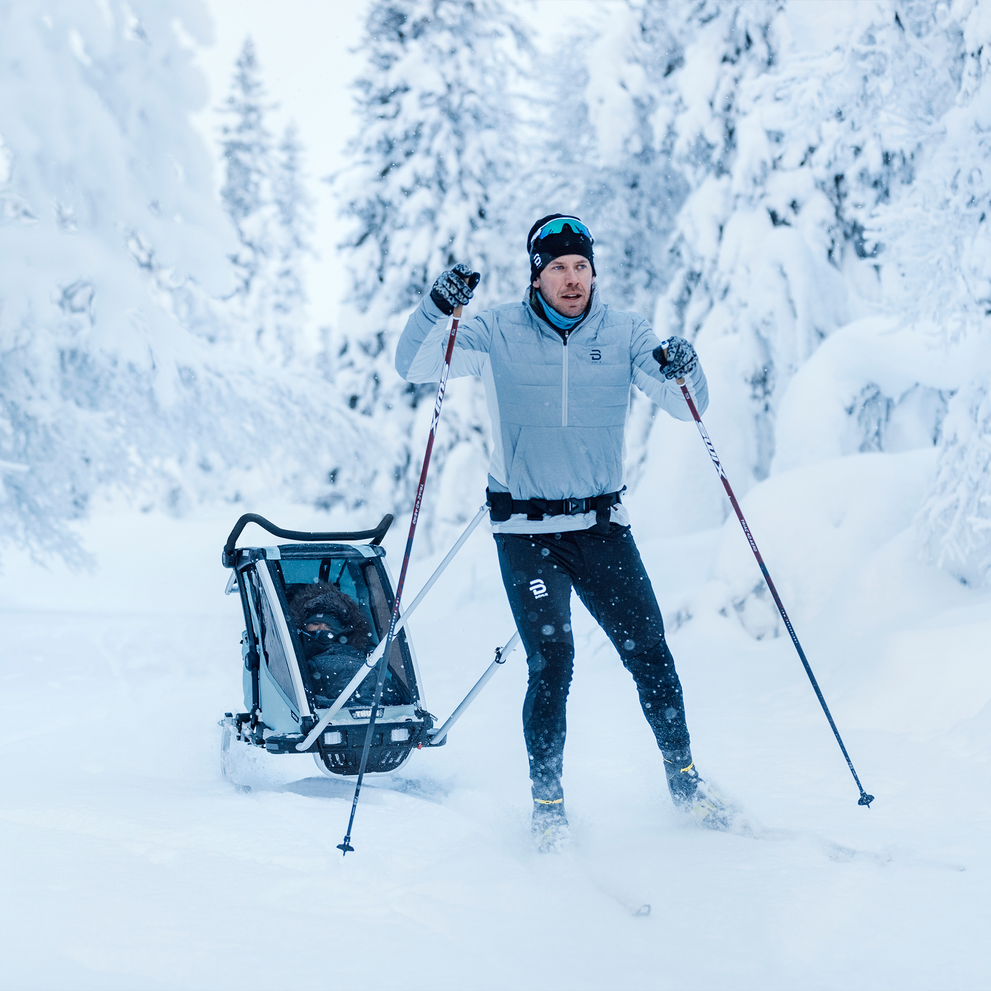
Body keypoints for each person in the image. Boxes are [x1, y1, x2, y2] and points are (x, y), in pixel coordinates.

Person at [396, 215, 727, 846]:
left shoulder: (626, 331)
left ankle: (685, 782)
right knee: (553, 660)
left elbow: (688, 405)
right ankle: (548, 806)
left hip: (602, 527)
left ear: (594, 271)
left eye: (580, 266)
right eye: (557, 268)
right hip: (526, 531)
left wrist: (689, 367)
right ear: (536, 275)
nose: (571, 279)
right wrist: (437, 307)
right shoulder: (495, 329)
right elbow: (414, 365)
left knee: (650, 653)